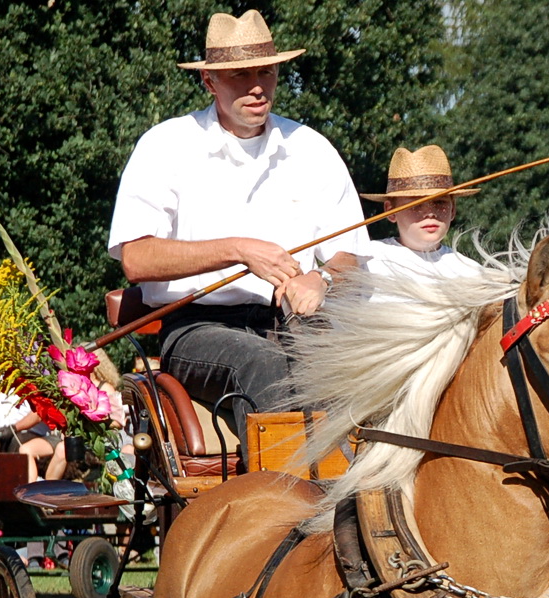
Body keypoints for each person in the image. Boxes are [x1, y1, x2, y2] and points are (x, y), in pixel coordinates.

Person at [108, 9, 367, 465]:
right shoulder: (165, 145)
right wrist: (239, 250)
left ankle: (378, 512)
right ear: (210, 82)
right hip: (198, 328)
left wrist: (321, 279)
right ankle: (292, 518)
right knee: (264, 367)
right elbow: (137, 257)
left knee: (368, 367)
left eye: (265, 71)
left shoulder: (312, 149)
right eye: (239, 74)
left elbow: (352, 257)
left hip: (298, 322)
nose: (256, 86)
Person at [334, 146, 482, 284]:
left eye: (439, 203)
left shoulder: (472, 273)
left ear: (453, 210)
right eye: (415, 205)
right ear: (390, 211)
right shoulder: (364, 261)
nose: (430, 213)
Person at [0, 378, 66, 483]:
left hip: (26, 431)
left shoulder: (33, 375)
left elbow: (39, 412)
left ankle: (18, 491)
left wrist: (14, 428)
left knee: (18, 443)